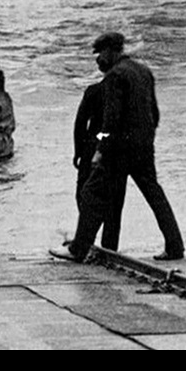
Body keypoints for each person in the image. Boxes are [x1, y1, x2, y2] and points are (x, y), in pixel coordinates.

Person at [54, 33, 185, 262]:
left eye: (99, 54)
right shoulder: (144, 71)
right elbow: (154, 114)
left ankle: (78, 249)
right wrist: (146, 138)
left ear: (110, 50)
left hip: (118, 150)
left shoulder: (116, 76)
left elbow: (110, 120)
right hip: (143, 146)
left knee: (91, 193)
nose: (98, 60)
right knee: (155, 195)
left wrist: (101, 148)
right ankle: (175, 247)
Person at [72, 73, 124, 251]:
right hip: (117, 149)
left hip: (93, 145)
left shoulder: (93, 91)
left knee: (84, 193)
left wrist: (77, 151)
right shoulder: (124, 93)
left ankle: (86, 238)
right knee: (114, 200)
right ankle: (110, 246)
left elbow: (80, 122)